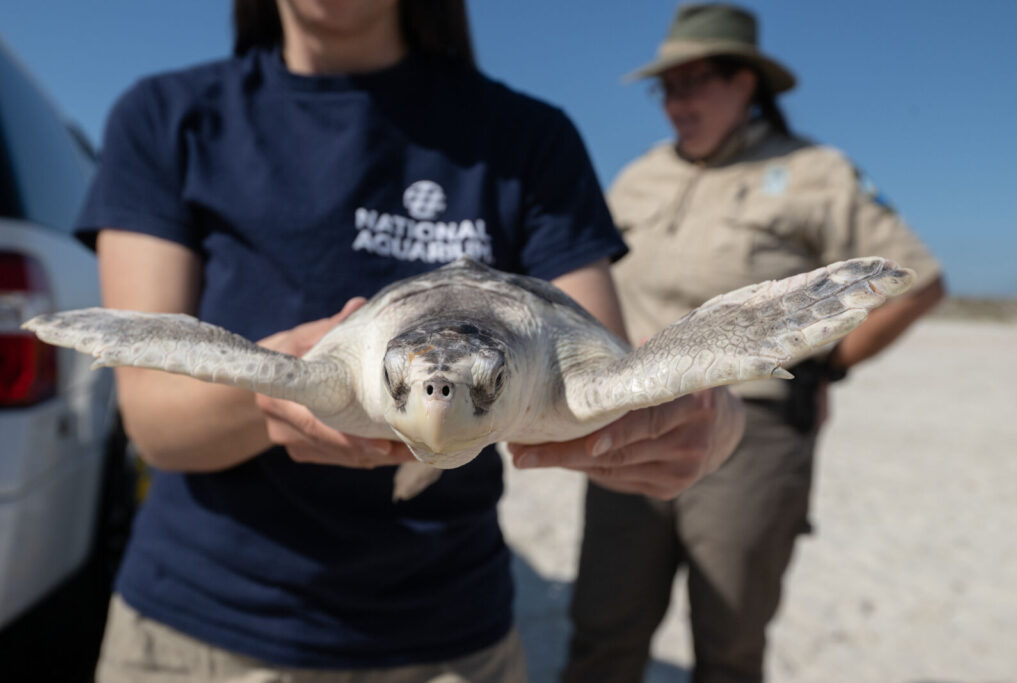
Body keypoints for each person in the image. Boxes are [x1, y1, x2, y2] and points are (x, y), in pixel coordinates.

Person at [81, 1, 745, 681]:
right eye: (416, 388)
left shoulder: (527, 137)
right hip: (202, 629)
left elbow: (607, 376)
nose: (433, 401)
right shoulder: (167, 116)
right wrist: (286, 389)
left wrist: (704, 425)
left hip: (450, 634)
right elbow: (152, 420)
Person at [560, 4, 946, 683]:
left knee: (730, 639)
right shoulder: (637, 178)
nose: (677, 102)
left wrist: (829, 369)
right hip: (628, 424)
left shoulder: (814, 171)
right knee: (602, 628)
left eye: (695, 81)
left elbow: (919, 281)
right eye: (667, 87)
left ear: (746, 83)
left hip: (756, 432)